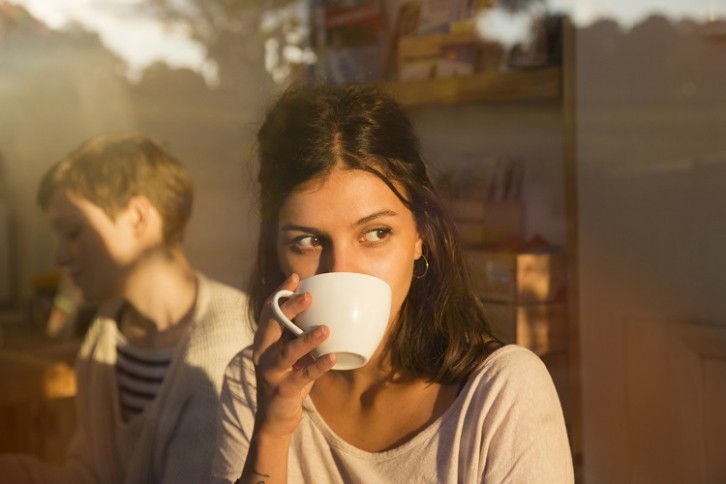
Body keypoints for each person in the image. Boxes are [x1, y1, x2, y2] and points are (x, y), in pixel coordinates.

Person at [211, 84, 574, 483]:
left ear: (420, 236)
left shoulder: (500, 394)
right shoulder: (254, 385)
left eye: (376, 233)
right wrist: (273, 431)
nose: (343, 269)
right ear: (277, 253)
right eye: (309, 241)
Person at [0, 132, 253, 483]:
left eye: (73, 232)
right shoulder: (106, 332)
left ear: (137, 216)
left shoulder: (230, 343)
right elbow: (91, 474)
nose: (59, 256)